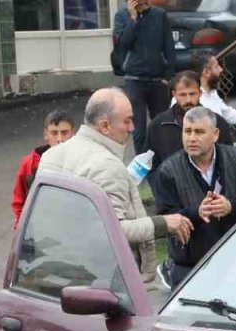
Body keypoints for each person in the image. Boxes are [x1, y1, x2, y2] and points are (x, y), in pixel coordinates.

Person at [38, 88, 193, 289]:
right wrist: (164, 223)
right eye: (127, 121)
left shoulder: (52, 155)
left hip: (53, 267)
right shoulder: (107, 165)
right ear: (104, 126)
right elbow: (112, 229)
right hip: (99, 279)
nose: (132, 128)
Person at [152, 107, 236, 287]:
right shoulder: (168, 171)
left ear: (215, 134)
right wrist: (196, 213)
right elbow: (165, 217)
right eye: (187, 131)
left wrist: (231, 207)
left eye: (199, 132)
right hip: (190, 267)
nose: (191, 138)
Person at [111, 0, 175, 154]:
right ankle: (141, 168)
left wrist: (167, 76)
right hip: (135, 80)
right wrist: (133, 19)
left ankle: (163, 163)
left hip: (157, 79)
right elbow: (122, 45)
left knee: (162, 126)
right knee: (138, 129)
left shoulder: (159, 15)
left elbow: (169, 47)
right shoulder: (121, 17)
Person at [11, 108, 74, 225]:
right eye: (54, 133)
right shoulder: (29, 164)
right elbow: (19, 202)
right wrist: (22, 230)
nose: (60, 139)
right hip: (41, 229)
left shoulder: (81, 161)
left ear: (72, 133)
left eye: (64, 132)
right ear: (46, 134)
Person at [147, 71, 202, 171]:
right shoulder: (158, 125)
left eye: (192, 94)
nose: (188, 100)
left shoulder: (215, 122)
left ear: (200, 93)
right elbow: (149, 163)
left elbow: (226, 160)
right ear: (174, 94)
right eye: (183, 95)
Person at [193, 54, 236, 139]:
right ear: (206, 72)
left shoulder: (212, 93)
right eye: (216, 66)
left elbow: (228, 113)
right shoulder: (191, 98)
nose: (221, 70)